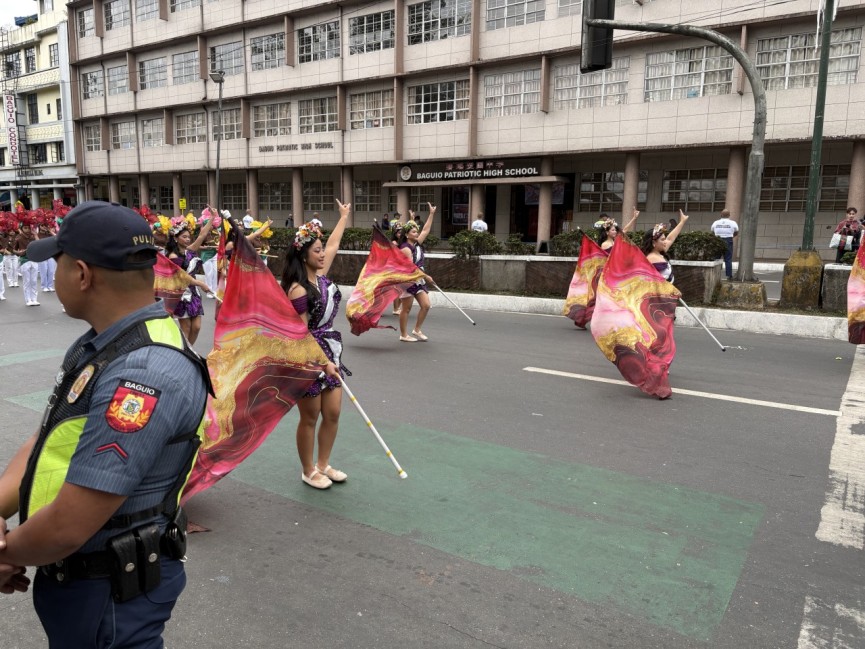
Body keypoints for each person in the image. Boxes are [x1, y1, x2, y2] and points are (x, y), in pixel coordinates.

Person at [0, 200, 212, 647]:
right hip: (81, 581)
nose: (53, 277)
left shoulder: (143, 373)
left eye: (56, 264)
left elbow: (69, 525)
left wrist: (6, 552)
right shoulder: (103, 343)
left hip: (110, 594)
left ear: (81, 273)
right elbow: (46, 442)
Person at [280, 199, 352, 490]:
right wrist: (323, 362)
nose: (323, 254)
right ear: (304, 255)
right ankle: (308, 470)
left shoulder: (321, 276)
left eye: (322, 250)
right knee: (310, 417)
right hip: (307, 357)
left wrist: (344, 216)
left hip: (329, 352)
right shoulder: (298, 289)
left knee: (333, 413)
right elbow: (299, 332)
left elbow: (333, 244)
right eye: (317, 250)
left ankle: (324, 464)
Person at [166, 219, 214, 345]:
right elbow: (182, 278)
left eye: (188, 237)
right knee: (186, 328)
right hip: (181, 294)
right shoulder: (173, 257)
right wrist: (201, 284)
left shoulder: (190, 250)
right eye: (184, 237)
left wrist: (213, 218)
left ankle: (189, 350)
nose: (188, 239)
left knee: (197, 327)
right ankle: (185, 353)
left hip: (193, 292)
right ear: (176, 238)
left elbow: (202, 235)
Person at [396, 204, 437, 342]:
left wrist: (431, 214)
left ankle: (417, 330)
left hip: (418, 279)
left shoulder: (417, 244)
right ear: (407, 234)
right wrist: (426, 276)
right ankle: (403, 334)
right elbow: (411, 267)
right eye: (414, 232)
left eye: (416, 232)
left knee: (426, 305)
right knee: (406, 309)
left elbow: (426, 229)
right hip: (407, 281)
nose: (417, 234)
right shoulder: (405, 248)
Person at [641, 209, 689, 283]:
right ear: (654, 242)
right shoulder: (652, 258)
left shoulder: (659, 252)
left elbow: (670, 239)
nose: (665, 242)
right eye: (662, 240)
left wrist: (682, 222)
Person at [13, 222, 38, 306]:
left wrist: (35, 235)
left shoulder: (33, 237)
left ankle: (34, 299)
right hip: (24, 261)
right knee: (27, 281)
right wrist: (19, 252)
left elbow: (39, 244)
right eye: (25, 228)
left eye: (28, 228)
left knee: (34, 281)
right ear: (22, 229)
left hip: (34, 260)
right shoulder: (18, 238)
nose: (27, 230)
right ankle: (28, 300)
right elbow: (14, 250)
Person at [710, 208, 739, 280]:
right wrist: (731, 236)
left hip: (718, 240)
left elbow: (712, 232)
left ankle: (714, 275)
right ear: (729, 215)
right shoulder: (733, 223)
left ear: (721, 215)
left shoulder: (716, 222)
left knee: (716, 258)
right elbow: (736, 232)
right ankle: (729, 276)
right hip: (728, 240)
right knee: (728, 259)